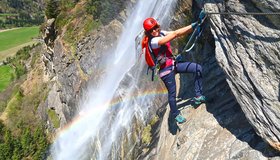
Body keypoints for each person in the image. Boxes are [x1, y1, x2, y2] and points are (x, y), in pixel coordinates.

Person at [142, 15, 206, 124]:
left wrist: (194, 26)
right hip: (166, 71)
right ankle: (175, 114)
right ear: (148, 33)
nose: (154, 31)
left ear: (157, 26)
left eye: (155, 28)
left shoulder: (161, 33)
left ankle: (198, 95)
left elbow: (177, 32)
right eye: (150, 30)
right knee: (172, 93)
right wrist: (194, 24)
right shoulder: (154, 41)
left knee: (197, 68)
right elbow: (175, 34)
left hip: (174, 64)